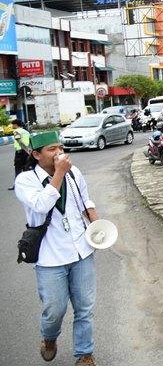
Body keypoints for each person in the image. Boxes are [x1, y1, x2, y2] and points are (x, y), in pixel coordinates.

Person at [15, 131, 100, 365]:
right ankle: (49, 338)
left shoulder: (74, 173)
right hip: (50, 257)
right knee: (55, 309)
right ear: (36, 154)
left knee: (84, 308)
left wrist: (97, 226)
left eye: (60, 148)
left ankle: (84, 354)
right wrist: (59, 174)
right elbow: (41, 205)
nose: (59, 153)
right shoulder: (25, 180)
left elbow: (86, 201)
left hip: (82, 251)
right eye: (52, 149)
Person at [9, 118, 31, 190]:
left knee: (18, 169)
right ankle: (27, 185)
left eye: (12, 124)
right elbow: (29, 141)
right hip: (27, 153)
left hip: (20, 152)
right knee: (26, 169)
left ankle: (16, 185)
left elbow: (19, 141)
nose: (12, 126)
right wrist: (28, 150)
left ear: (15, 125)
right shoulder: (26, 132)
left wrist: (25, 149)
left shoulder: (16, 131)